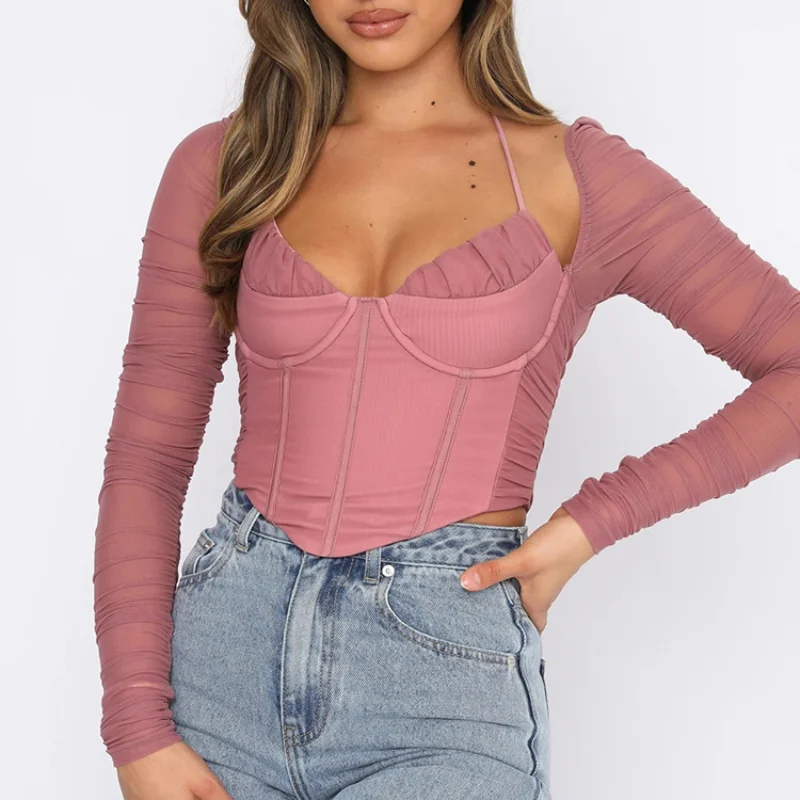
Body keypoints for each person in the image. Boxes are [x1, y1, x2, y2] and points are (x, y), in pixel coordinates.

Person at [93, 1, 800, 798]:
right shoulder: (232, 164)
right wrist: (136, 724)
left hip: (443, 685)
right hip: (226, 663)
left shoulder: (575, 178)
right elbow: (147, 458)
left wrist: (594, 520)